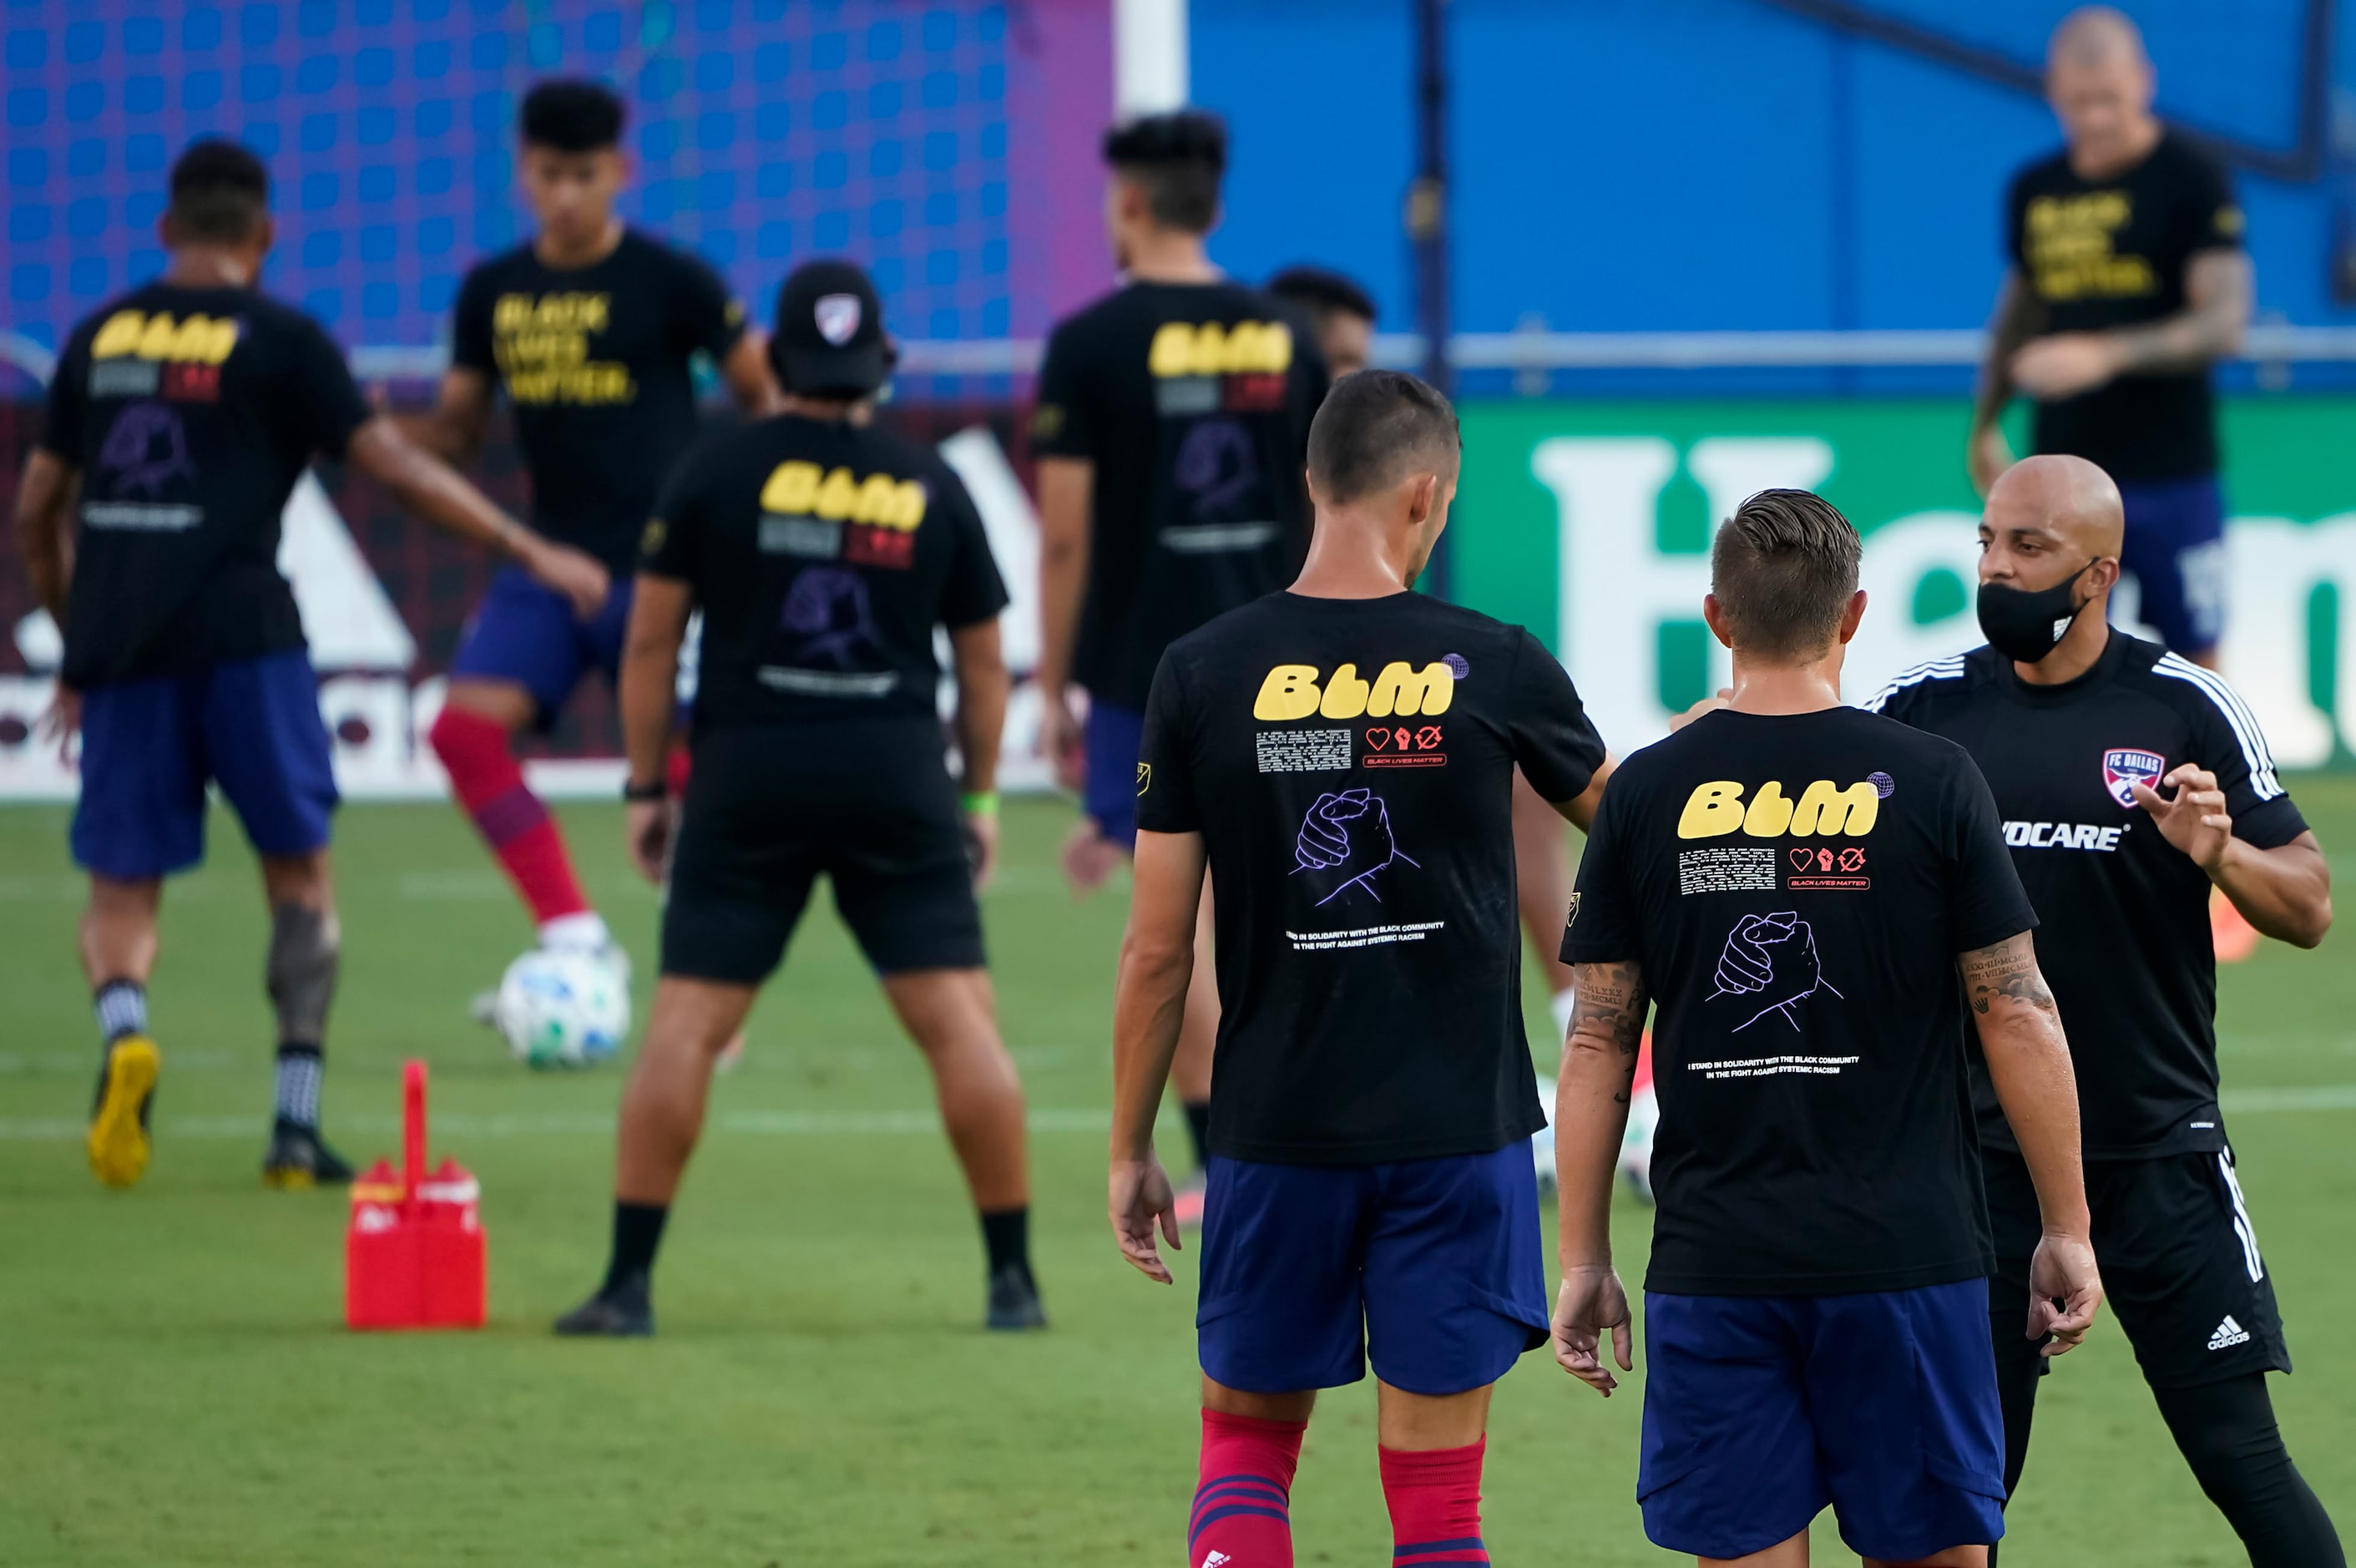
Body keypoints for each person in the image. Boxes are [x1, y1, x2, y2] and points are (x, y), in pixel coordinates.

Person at [13, 139, 607, 1190]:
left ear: (165, 232)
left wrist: (81, 646)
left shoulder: (98, 336)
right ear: (265, 236)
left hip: (128, 654)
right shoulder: (282, 340)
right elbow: (395, 468)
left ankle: (125, 1035)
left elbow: (35, 513)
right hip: (248, 642)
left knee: (122, 889)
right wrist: (526, 548)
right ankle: (293, 1125)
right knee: (300, 876)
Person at [1110, 371, 1608, 1566]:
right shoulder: (1491, 661)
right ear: (1424, 496)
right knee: (1439, 1512)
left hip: (1275, 1130)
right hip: (1459, 1133)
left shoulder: (1200, 669)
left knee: (1242, 1456)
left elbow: (1155, 949)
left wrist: (1132, 1146)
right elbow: (1638, 832)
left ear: (1309, 482)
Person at [1551, 489, 2104, 1567]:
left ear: (1716, 616)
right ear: (1851, 616)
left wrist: (1581, 1255)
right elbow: (2016, 1005)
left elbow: (1598, 1040)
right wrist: (2067, 1225)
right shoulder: (1935, 778)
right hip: (1907, 1252)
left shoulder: (1646, 789)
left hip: (1716, 1258)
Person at [1866, 455, 2340, 1568]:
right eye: (1985, 541)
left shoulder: (2180, 704)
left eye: (2025, 549)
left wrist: (2219, 853)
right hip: (1974, 1167)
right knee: (1955, 1498)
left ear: (2098, 572)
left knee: (2240, 1455)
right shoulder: (1918, 709)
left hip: (2156, 1158)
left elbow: (2309, 905)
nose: (1994, 568)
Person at [554, 260, 1042, 1337]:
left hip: (748, 775)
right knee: (960, 1027)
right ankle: (1014, 1285)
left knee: (686, 1025)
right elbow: (985, 667)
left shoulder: (714, 469)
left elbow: (648, 640)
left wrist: (644, 784)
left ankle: (628, 1286)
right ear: (885, 366)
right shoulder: (930, 483)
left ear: (772, 360)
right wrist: (980, 803)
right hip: (896, 775)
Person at [398, 78, 777, 1019]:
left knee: (702, 777)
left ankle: (712, 991)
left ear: (620, 172)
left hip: (666, 572)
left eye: (583, 174)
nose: (564, 193)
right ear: (521, 171)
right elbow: (453, 429)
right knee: (460, 731)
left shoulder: (673, 279)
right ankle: (573, 932)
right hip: (553, 567)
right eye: (546, 174)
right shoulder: (493, 290)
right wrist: (362, 431)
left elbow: (762, 396)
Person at [1033, 109, 1327, 1221]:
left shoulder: (1092, 344)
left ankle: (1229, 1156)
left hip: (1145, 671)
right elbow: (1324, 506)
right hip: (1281, 654)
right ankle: (1298, 1129)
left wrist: (1052, 682)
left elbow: (1063, 534)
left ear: (1129, 203)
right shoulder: (1283, 335)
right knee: (1289, 892)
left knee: (1178, 918)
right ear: (1213, 202)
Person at [1967, 6, 2250, 669]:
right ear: (2054, 91)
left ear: (2143, 82)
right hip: (2062, 465)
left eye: (2109, 99)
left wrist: (2104, 355)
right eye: (2079, 101)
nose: (2095, 118)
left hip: (2171, 464)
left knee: (2196, 648)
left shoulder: (2191, 176)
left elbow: (2225, 322)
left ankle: (2210, 772)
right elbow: (2023, 310)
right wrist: (1986, 418)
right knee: (2050, 641)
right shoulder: (2037, 189)